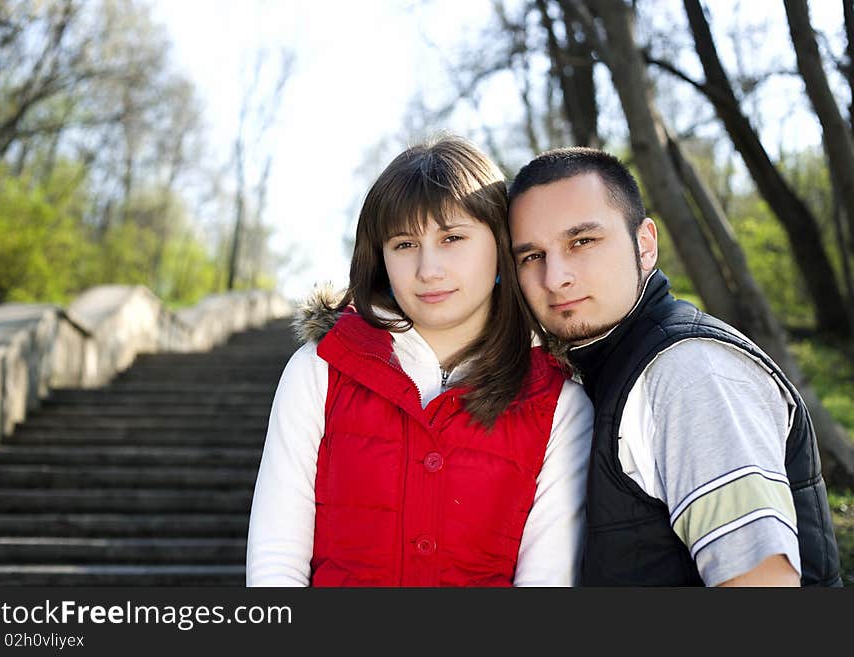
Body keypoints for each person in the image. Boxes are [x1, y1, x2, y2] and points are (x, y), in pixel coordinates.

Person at [246, 135, 593, 586]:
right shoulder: (320, 369)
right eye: (405, 244)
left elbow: (548, 581)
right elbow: (276, 561)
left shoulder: (558, 402)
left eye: (452, 238)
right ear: (381, 258)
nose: (428, 269)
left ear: (500, 245)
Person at [507, 146, 842, 587]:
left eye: (582, 241)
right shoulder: (601, 366)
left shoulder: (689, 373)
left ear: (644, 245)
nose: (555, 277)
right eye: (532, 256)